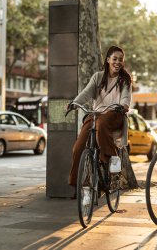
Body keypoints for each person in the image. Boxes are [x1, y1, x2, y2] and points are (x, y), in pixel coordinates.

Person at [66, 46, 132, 199]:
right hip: (96, 114)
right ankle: (77, 184)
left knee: (101, 123)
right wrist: (74, 103)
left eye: (120, 60)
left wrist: (124, 105)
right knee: (78, 147)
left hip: (115, 114)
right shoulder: (98, 77)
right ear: (108, 60)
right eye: (114, 59)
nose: (117, 62)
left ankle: (108, 158)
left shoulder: (125, 80)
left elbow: (125, 97)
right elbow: (86, 93)